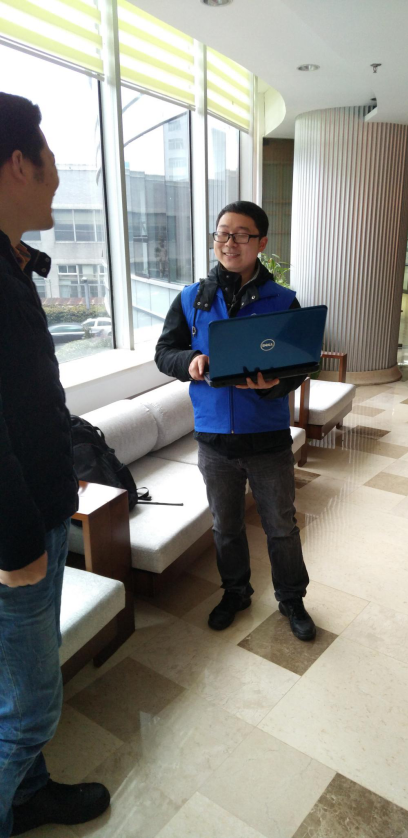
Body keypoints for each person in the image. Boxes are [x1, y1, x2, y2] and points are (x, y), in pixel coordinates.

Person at [0, 92, 110, 837]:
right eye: (50, 161)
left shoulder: (13, 263)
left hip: (41, 512)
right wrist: (16, 549)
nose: (57, 178)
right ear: (19, 164)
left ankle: (30, 795)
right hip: (16, 536)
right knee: (29, 710)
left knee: (17, 689)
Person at [156, 201, 316, 642]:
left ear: (261, 243)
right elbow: (164, 353)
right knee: (224, 526)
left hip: (266, 437)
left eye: (241, 234)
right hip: (213, 438)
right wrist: (190, 361)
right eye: (222, 233)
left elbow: (301, 364)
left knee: (281, 526)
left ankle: (291, 599)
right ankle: (236, 592)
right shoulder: (191, 299)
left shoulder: (282, 300)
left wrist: (272, 385)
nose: (230, 243)